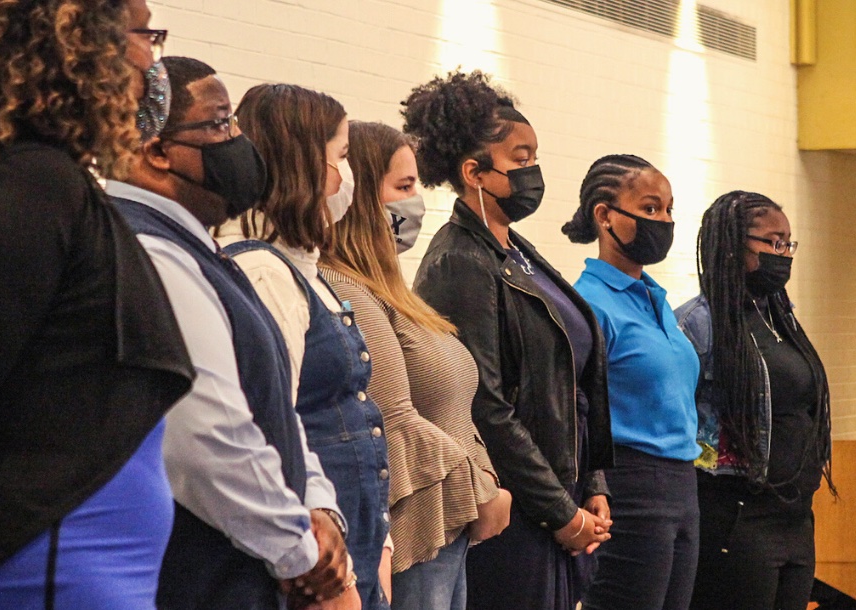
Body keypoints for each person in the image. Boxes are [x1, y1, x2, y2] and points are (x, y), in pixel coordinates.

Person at [0, 1, 195, 609]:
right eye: (144, 35)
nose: (150, 59)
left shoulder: (61, 187)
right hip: (43, 564)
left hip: (89, 565)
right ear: (82, 41)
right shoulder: (31, 190)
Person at [107, 56, 357, 610]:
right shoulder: (149, 251)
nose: (238, 143)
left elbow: (275, 409)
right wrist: (299, 550)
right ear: (156, 151)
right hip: (207, 578)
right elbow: (205, 437)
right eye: (221, 124)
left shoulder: (198, 246)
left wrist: (318, 509)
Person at [402, 69, 614, 610]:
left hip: (561, 498)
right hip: (517, 511)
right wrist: (558, 511)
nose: (534, 171)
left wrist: (594, 482)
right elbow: (486, 406)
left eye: (534, 156)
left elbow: (575, 383)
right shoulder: (459, 262)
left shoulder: (517, 250)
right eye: (520, 159)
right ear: (474, 171)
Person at [320, 120, 513, 610]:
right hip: (413, 526)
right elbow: (394, 418)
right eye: (402, 187)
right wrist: (484, 489)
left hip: (448, 519)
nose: (415, 203)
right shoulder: (344, 289)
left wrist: (483, 479)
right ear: (360, 195)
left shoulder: (392, 291)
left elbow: (456, 408)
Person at [225, 83, 390, 610]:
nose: (350, 180)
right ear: (301, 164)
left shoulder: (304, 270)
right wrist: (320, 566)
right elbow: (273, 426)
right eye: (341, 158)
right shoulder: (264, 272)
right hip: (312, 563)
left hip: (347, 542)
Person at [674, 190, 835, 610]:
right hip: (739, 515)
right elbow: (677, 419)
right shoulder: (698, 324)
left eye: (788, 243)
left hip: (795, 516)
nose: (783, 254)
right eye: (772, 242)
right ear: (731, 245)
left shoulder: (780, 316)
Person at [562, 154, 701, 610]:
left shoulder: (657, 299)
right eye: (650, 208)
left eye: (667, 210)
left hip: (683, 484)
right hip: (630, 486)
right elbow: (574, 409)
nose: (663, 220)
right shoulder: (588, 304)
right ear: (605, 216)